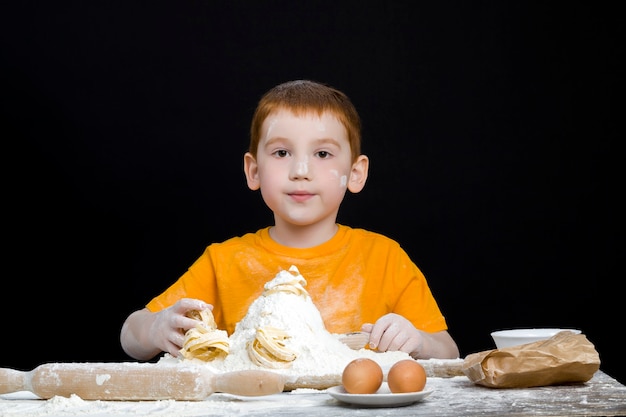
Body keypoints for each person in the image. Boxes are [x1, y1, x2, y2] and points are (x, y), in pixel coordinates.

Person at [120, 79, 460, 361]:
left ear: (356, 173)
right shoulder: (224, 262)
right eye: (282, 153)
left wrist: (418, 341)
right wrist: (155, 328)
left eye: (322, 154)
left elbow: (447, 350)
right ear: (254, 171)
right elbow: (131, 334)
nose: (300, 172)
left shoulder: (384, 259)